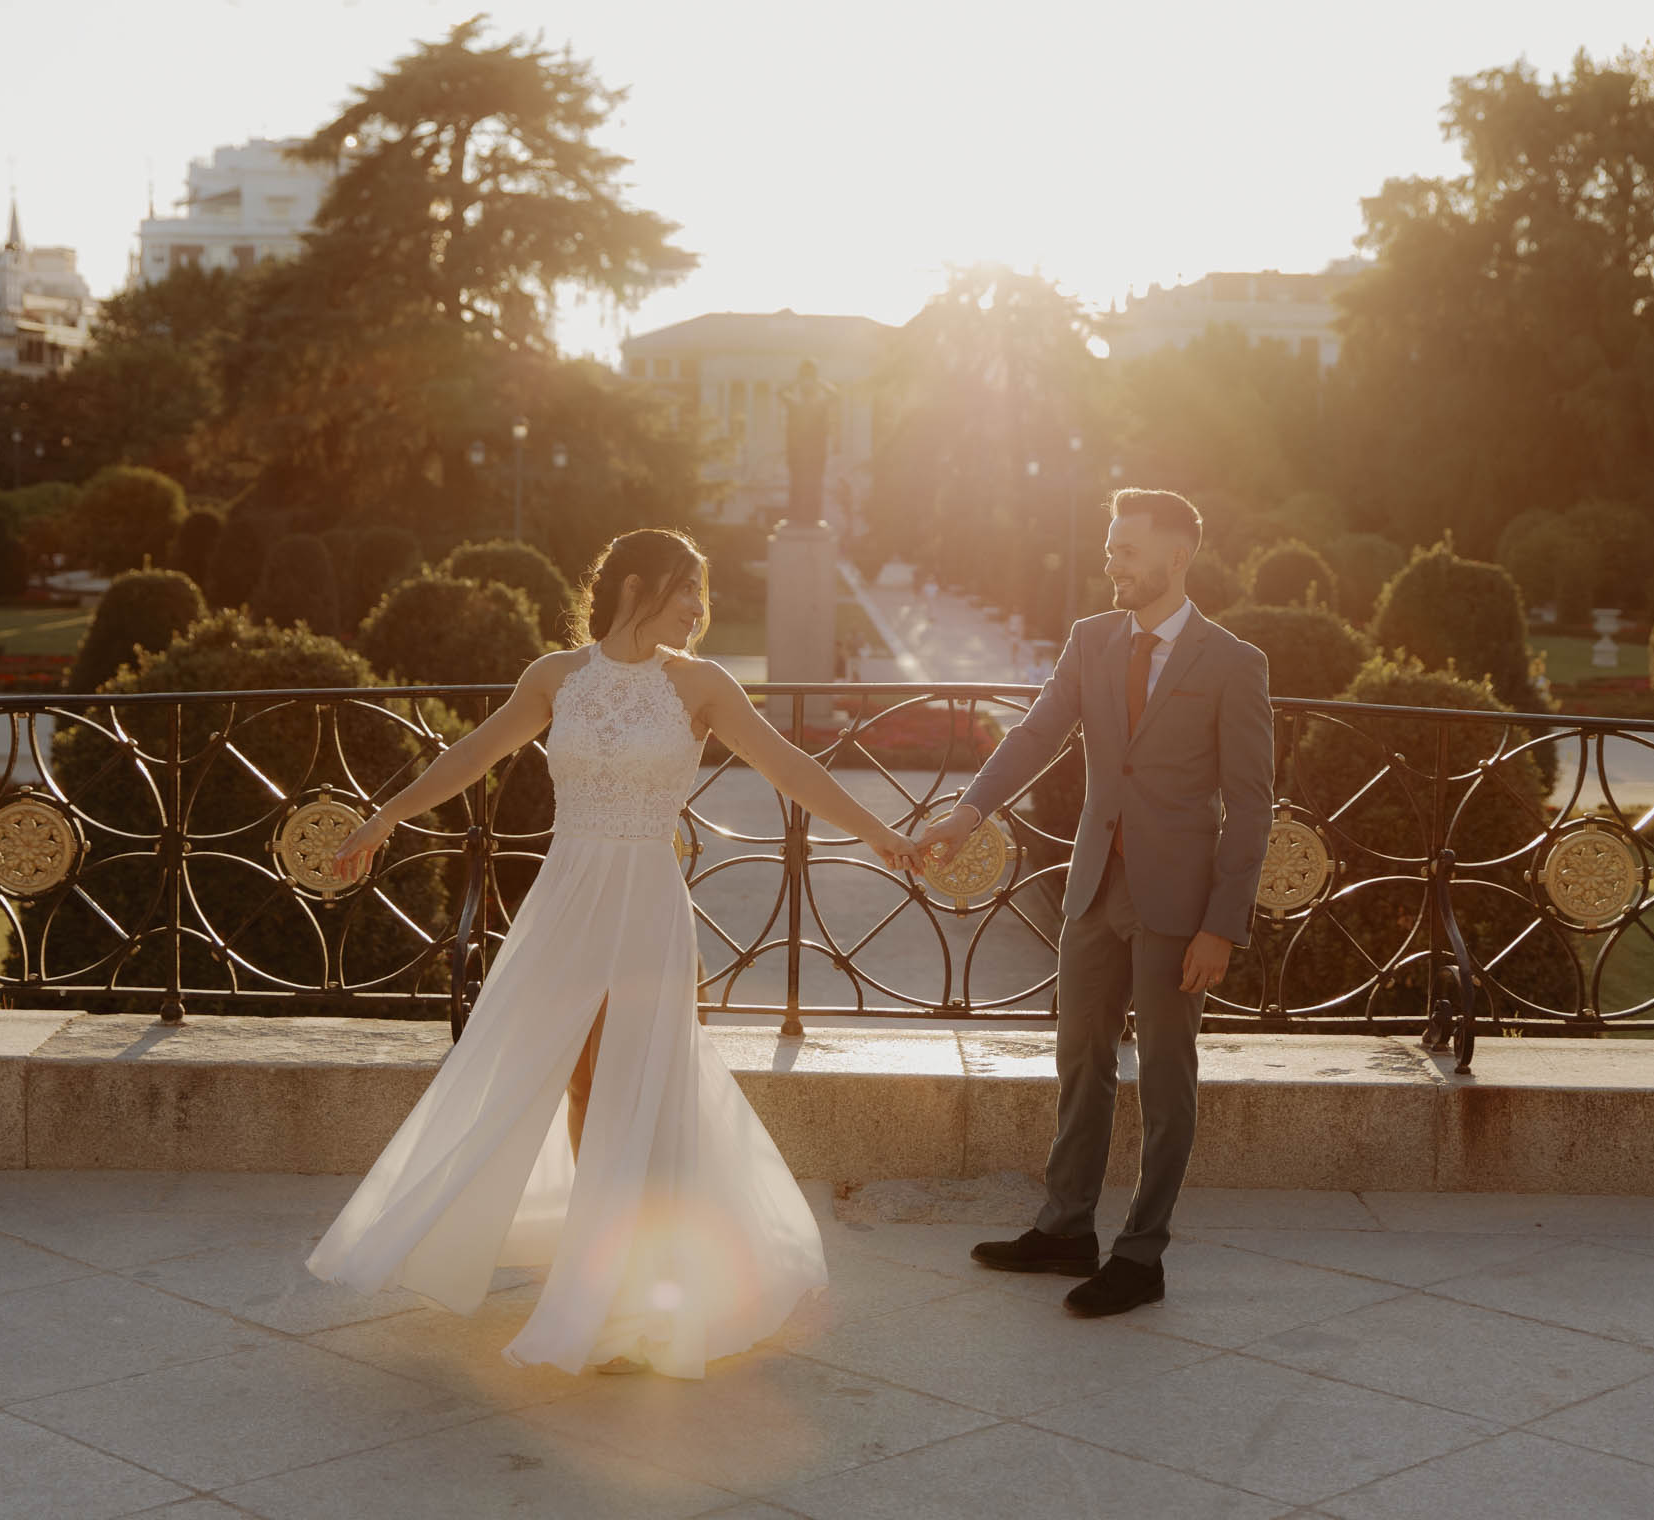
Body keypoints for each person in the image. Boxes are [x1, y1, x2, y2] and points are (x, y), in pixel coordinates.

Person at [309, 528, 920, 1377]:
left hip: (644, 905)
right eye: (688, 590)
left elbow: (789, 767)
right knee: (578, 1077)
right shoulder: (555, 677)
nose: (700, 609)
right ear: (637, 585)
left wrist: (882, 833)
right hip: (567, 899)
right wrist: (384, 817)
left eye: (702, 595)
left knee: (639, 1080)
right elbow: (473, 753)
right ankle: (590, 1262)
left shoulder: (701, 685)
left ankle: (632, 1292)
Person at [909, 489, 1272, 1318]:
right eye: (1110, 547)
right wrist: (969, 813)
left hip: (1179, 906)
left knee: (1168, 1084)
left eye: (1127, 549)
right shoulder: (1091, 640)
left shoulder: (1232, 663)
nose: (1111, 562)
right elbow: (1036, 733)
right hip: (1092, 892)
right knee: (1081, 1061)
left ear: (1176, 556)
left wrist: (1222, 923)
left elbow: (1251, 806)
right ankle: (1067, 1226)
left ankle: (1141, 1255)